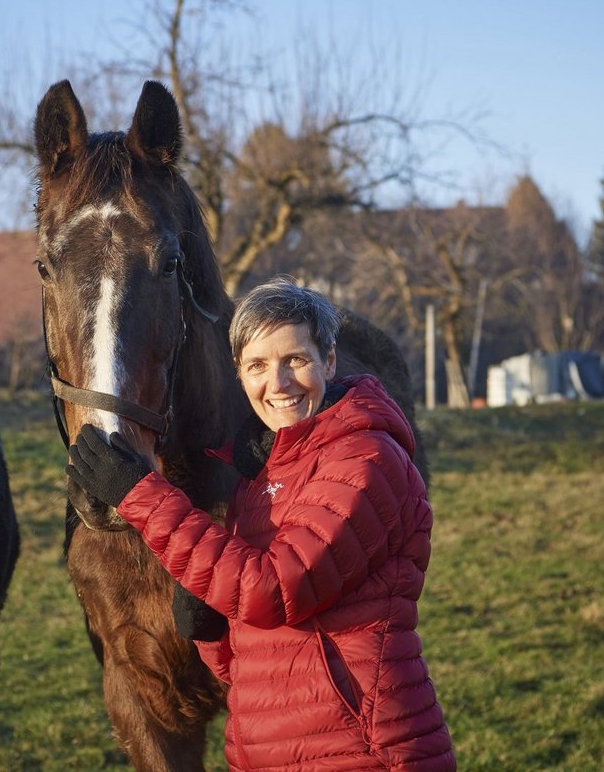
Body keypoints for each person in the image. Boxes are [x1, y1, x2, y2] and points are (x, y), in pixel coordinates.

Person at [67, 277, 456, 771]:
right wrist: (210, 633)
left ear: (329, 361)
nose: (279, 383)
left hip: (362, 749)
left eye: (295, 359)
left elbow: (273, 590)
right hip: (273, 751)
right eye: (257, 366)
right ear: (240, 376)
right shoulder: (260, 481)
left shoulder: (365, 459)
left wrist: (140, 495)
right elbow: (255, 665)